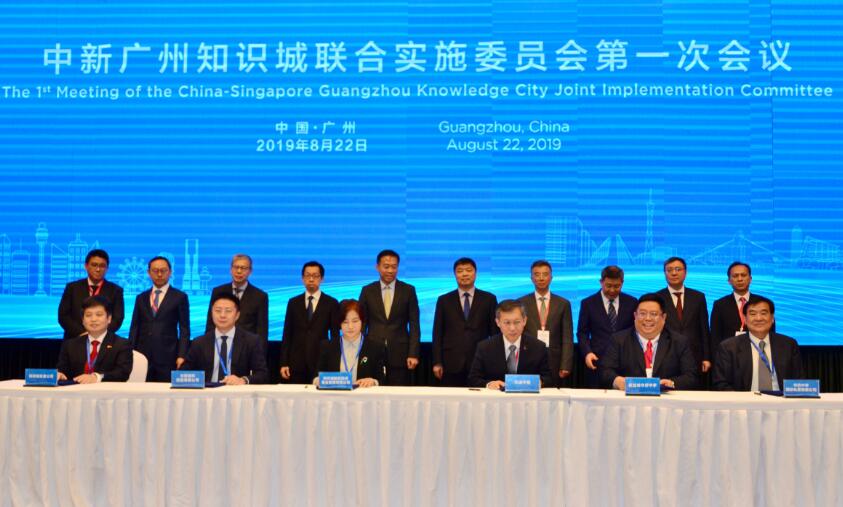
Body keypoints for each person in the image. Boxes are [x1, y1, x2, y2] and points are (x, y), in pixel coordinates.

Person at [599, 293, 698, 390]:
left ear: (663, 317)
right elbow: (605, 371)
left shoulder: (679, 342)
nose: (648, 318)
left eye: (653, 314)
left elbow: (691, 376)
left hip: (666, 398)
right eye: (642, 313)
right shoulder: (619, 340)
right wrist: (617, 381)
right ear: (635, 316)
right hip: (629, 399)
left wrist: (671, 383)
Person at [712, 295, 803, 391]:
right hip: (745, 399)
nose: (759, 318)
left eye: (763, 313)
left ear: (772, 318)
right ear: (745, 319)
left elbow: (798, 381)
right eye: (753, 314)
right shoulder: (729, 348)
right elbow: (721, 384)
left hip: (781, 399)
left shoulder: (788, 345)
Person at [431, 257, 498, 387]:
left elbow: (495, 333)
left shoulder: (489, 299)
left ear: (475, 273)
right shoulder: (444, 300)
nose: (464, 274)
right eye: (460, 271)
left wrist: (494, 361)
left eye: (468, 270)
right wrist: (437, 362)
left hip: (480, 361)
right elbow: (437, 333)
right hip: (451, 363)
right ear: (455, 275)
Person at [358, 250, 420, 386]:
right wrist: (359, 350)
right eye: (386, 266)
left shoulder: (408, 290)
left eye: (394, 267)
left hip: (400, 352)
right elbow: (362, 323)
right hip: (373, 349)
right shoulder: (367, 291)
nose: (390, 270)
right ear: (377, 267)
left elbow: (414, 324)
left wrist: (413, 353)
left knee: (398, 392)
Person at [182, 293, 268, 384]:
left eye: (228, 311)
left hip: (236, 391)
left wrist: (243, 380)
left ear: (237, 315)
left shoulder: (251, 341)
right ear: (211, 313)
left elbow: (263, 374)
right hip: (208, 391)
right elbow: (183, 372)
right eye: (218, 311)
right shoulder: (199, 342)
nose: (222, 315)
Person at [129, 256, 190, 382]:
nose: (159, 274)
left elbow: (184, 329)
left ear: (170, 272)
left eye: (163, 270)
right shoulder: (141, 298)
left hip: (168, 355)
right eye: (155, 271)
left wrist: (182, 355)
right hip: (142, 355)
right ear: (148, 272)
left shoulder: (179, 297)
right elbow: (134, 327)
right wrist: (130, 352)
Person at [467, 300, 552, 390]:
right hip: (497, 397)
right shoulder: (485, 347)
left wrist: (539, 382)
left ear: (524, 321)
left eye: (517, 322)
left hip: (527, 397)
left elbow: (548, 378)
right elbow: (473, 379)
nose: (512, 328)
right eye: (507, 323)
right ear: (498, 322)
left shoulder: (538, 347)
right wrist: (489, 384)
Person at [576, 266, 637, 387]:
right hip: (597, 361)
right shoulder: (588, 303)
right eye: (608, 286)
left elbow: (635, 331)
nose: (612, 290)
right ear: (601, 282)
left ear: (622, 283)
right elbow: (582, 333)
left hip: (624, 362)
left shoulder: (632, 302)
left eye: (617, 286)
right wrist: (587, 353)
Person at [280, 261, 340, 384]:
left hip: (320, 360)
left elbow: (335, 335)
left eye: (315, 276)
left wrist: (333, 362)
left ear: (322, 278)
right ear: (302, 278)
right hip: (296, 362)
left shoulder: (331, 303)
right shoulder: (293, 303)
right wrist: (284, 362)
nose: (311, 279)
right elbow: (287, 334)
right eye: (307, 275)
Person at [656, 257, 712, 384]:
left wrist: (706, 357)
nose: (674, 273)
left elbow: (704, 329)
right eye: (669, 270)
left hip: (694, 354)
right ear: (664, 273)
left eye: (678, 269)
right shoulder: (657, 298)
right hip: (666, 353)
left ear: (685, 272)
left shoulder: (698, 297)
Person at [518, 260, 573, 387]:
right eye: (537, 274)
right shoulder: (521, 303)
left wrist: (566, 364)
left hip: (554, 360)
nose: (541, 278)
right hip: (528, 358)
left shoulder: (563, 303)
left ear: (551, 278)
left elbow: (567, 336)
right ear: (531, 278)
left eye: (545, 274)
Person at [56, 295, 133, 383]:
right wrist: (60, 374)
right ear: (83, 320)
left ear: (109, 319)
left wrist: (97, 377)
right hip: (76, 390)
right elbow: (62, 370)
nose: (93, 319)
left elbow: (122, 373)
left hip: (106, 390)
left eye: (99, 315)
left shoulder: (122, 344)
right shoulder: (70, 345)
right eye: (88, 315)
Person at [315, 299, 385, 388]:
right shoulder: (327, 346)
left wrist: (373, 381)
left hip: (364, 395)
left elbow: (382, 379)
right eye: (345, 322)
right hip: (335, 395)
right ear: (339, 323)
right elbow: (316, 376)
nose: (350, 326)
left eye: (355, 321)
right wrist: (319, 380)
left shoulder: (375, 347)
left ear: (362, 321)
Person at [57, 249, 125, 339]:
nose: (98, 269)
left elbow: (117, 319)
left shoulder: (116, 290)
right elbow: (63, 316)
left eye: (102, 266)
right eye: (94, 265)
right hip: (74, 339)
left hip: (104, 341)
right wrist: (84, 334)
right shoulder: (72, 288)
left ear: (107, 268)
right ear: (86, 266)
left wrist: (99, 334)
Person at [205, 253, 269, 348]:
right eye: (236, 267)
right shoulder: (218, 291)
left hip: (247, 348)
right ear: (231, 269)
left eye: (243, 268)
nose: (239, 271)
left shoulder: (260, 296)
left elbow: (262, 331)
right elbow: (210, 323)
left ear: (250, 271)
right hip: (221, 346)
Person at [710, 262, 774, 346]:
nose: (740, 279)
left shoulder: (763, 303)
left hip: (759, 349)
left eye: (743, 275)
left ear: (750, 279)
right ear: (729, 281)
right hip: (730, 350)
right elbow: (715, 335)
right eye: (735, 276)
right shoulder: (720, 304)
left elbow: (771, 331)